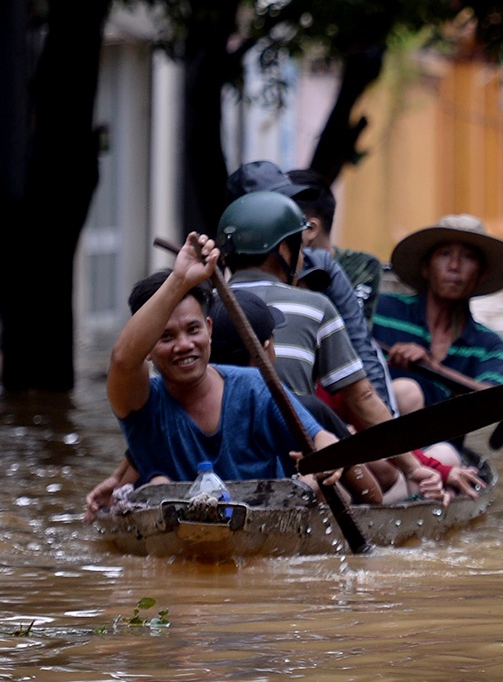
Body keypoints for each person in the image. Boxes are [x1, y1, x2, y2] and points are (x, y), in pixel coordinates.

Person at [218, 191, 468, 502]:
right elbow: (363, 398)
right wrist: (413, 468)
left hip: (211, 468)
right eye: (299, 248)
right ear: (283, 249)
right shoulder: (314, 305)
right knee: (373, 496)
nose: (302, 258)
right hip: (294, 467)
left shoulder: (197, 310)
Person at [90, 234, 346, 517]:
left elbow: (322, 440)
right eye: (166, 336)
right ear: (148, 348)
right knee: (159, 483)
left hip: (264, 536)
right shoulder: (141, 403)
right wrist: (179, 279)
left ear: (209, 330)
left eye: (193, 330)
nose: (184, 345)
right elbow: (124, 360)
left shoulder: (254, 387)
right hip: (178, 545)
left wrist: (320, 470)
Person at [225, 161, 394, 410]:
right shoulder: (211, 275)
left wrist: (384, 433)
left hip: (320, 400)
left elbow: (359, 345)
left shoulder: (320, 264)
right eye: (276, 205)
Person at [373, 214, 503, 472]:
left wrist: (433, 367)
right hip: (375, 446)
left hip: (440, 456)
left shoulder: (487, 343)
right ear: (426, 267)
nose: (454, 266)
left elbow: (495, 401)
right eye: (444, 254)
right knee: (405, 391)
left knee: (445, 456)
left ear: (481, 273)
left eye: (468, 257)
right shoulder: (382, 311)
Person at [285, 168, 384, 324]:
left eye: (282, 223)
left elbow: (351, 334)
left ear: (310, 229)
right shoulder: (274, 266)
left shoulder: (362, 267)